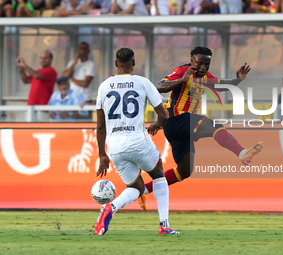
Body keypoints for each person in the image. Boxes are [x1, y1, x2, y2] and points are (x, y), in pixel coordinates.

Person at [138, 46, 263, 210]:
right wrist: (182, 80)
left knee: (184, 171)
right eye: (200, 64)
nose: (203, 68)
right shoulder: (182, 71)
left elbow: (222, 85)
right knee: (213, 126)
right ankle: (241, 152)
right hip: (177, 119)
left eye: (207, 65)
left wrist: (237, 79)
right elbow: (159, 86)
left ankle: (143, 190)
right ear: (192, 61)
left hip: (180, 128)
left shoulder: (205, 77)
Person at [94, 47, 179, 236]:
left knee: (137, 187)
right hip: (137, 140)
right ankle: (164, 224)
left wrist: (102, 154)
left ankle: (111, 207)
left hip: (115, 146)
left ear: (116, 64)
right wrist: (157, 124)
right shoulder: (142, 82)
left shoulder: (104, 86)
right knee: (158, 174)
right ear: (133, 63)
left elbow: (100, 126)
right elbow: (164, 115)